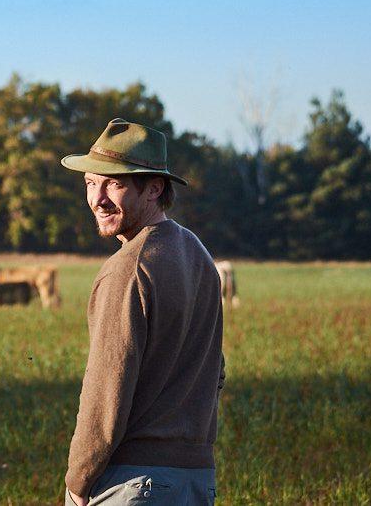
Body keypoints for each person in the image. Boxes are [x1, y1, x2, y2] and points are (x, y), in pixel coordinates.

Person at [60, 118, 225, 505]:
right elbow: (216, 370)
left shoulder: (127, 269)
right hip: (196, 480)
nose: (97, 198)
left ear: (154, 188)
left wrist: (78, 480)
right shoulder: (197, 255)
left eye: (113, 183)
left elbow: (107, 386)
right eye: (90, 182)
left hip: (132, 484)